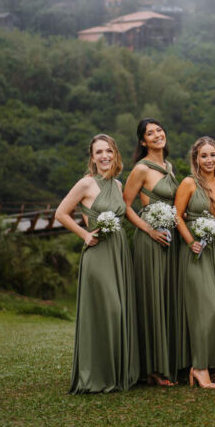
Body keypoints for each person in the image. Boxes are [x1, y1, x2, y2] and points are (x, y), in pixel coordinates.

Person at [55, 134, 138, 393]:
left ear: (115, 155)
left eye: (108, 151)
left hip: (119, 251)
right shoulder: (86, 184)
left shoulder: (118, 183)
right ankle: (97, 375)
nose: (104, 156)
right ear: (92, 157)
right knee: (108, 308)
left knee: (120, 310)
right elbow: (60, 213)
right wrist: (85, 234)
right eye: (99, 152)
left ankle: (116, 371)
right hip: (98, 252)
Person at [122, 119, 179, 387]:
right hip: (150, 240)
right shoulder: (141, 169)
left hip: (172, 238)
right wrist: (149, 230)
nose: (157, 135)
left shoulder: (169, 167)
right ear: (143, 141)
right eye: (150, 133)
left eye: (159, 130)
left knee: (168, 298)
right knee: (153, 299)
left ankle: (169, 361)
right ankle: (153, 368)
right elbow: (126, 206)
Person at [174, 137, 215, 389]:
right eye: (204, 156)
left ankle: (213, 364)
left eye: (213, 155)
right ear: (196, 159)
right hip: (197, 251)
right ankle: (199, 367)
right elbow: (177, 215)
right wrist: (190, 241)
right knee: (206, 309)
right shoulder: (188, 183)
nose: (209, 160)